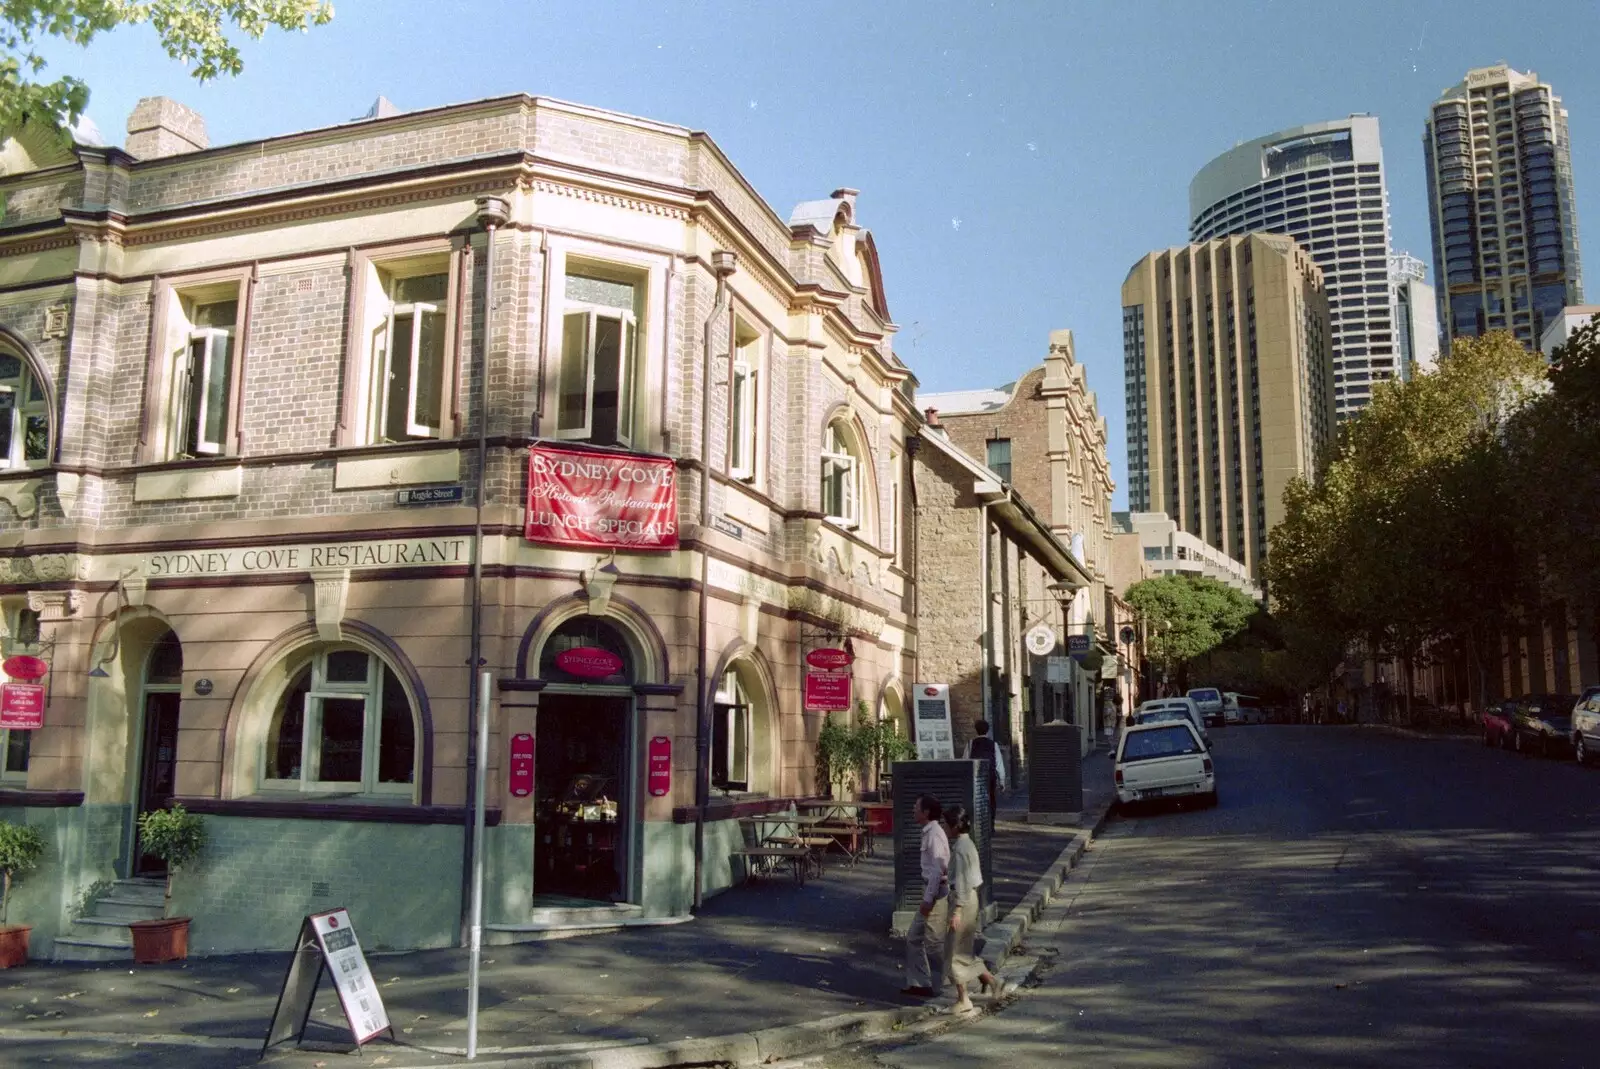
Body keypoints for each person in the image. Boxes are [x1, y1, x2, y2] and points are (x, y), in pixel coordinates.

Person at [942, 804, 1002, 1014]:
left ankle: (964, 998)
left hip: (962, 901)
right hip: (972, 899)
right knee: (964, 950)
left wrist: (956, 910)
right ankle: (991, 982)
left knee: (953, 952)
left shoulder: (959, 849)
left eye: (946, 824)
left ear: (953, 827)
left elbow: (960, 881)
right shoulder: (969, 844)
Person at [902, 793, 949, 997]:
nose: (913, 810)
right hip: (931, 891)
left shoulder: (934, 834)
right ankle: (920, 983)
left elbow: (938, 871)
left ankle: (969, 975)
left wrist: (928, 900)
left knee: (935, 944)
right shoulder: (929, 832)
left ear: (926, 812)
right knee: (914, 938)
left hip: (936, 894)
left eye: (916, 806)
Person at [964, 720, 1006, 813]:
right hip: (989, 777)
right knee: (991, 801)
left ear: (976, 730)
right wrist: (1002, 781)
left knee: (976, 801)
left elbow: (965, 762)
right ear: (987, 730)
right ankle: (991, 823)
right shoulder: (993, 744)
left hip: (975, 777)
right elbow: (999, 764)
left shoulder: (970, 744)